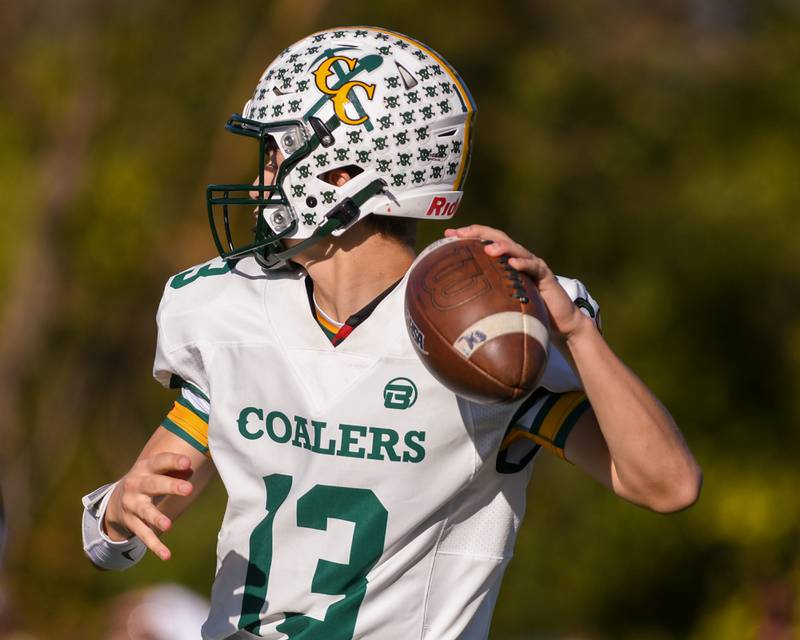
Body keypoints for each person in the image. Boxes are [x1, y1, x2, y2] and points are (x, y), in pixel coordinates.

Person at [82, 26, 701, 640]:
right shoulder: (231, 310)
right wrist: (117, 512)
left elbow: (667, 485)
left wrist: (575, 330)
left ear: (339, 174)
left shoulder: (481, 336)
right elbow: (123, 531)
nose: (255, 185)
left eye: (274, 158)